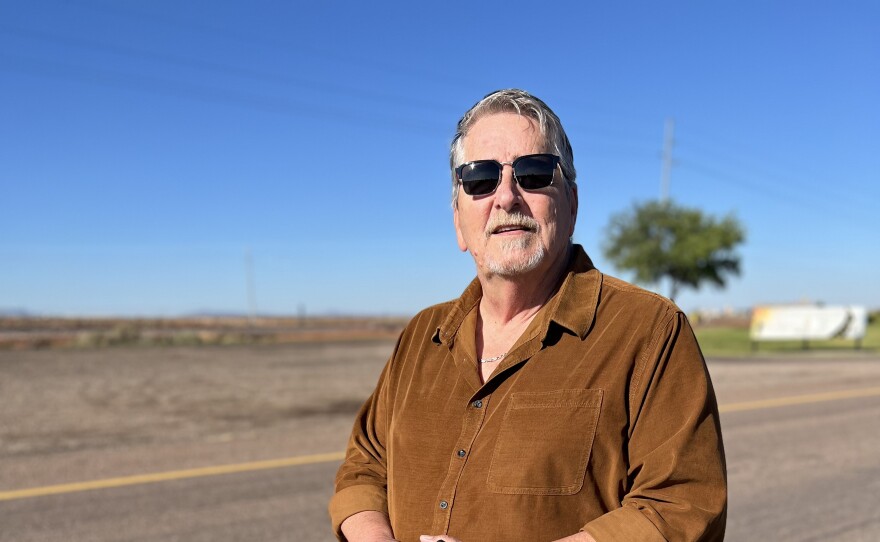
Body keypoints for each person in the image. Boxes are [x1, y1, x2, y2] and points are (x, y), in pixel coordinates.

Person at [329, 89, 727, 542]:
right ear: (459, 221)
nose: (506, 197)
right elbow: (364, 465)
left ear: (572, 203)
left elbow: (681, 506)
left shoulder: (649, 330)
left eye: (533, 172)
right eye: (479, 179)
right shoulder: (422, 335)